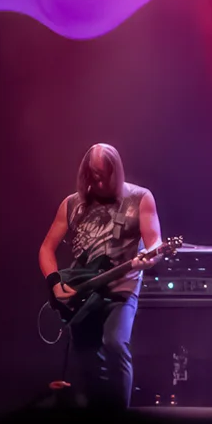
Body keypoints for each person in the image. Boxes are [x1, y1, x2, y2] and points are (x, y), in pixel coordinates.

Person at [38, 143, 162, 409]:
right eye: (94, 174)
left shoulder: (140, 198)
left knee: (115, 344)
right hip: (83, 292)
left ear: (116, 171)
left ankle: (121, 421)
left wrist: (148, 259)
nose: (100, 181)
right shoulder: (71, 204)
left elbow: (155, 245)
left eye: (105, 175)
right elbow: (46, 248)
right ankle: (98, 422)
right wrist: (55, 283)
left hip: (121, 287)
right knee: (87, 358)